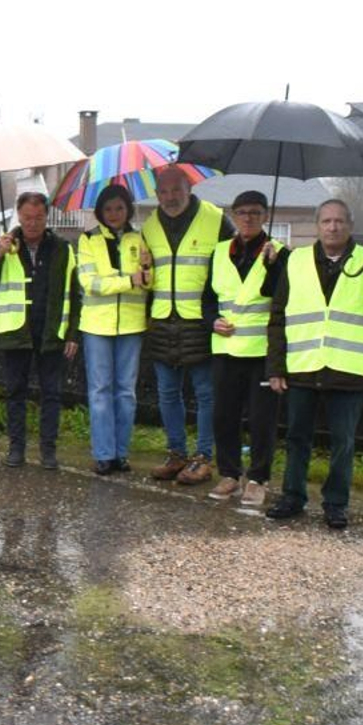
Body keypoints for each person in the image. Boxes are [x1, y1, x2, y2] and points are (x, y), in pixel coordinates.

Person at [265, 198, 363, 529]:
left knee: (343, 442)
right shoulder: (296, 260)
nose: (333, 227)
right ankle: (292, 496)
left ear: (350, 226)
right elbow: (278, 315)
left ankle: (336, 503)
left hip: (348, 367)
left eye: (339, 221)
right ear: (317, 226)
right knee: (297, 437)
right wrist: (275, 367)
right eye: (326, 221)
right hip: (303, 364)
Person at [140, 165, 234, 487]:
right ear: (156, 195)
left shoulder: (216, 219)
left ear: (189, 187)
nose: (170, 197)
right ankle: (176, 453)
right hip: (163, 319)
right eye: (163, 192)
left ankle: (203, 457)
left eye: (176, 189)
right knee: (168, 393)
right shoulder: (149, 226)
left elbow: (237, 261)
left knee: (206, 394)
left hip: (201, 320)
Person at [0, 191, 81, 469]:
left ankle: (48, 450)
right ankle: (16, 448)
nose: (33, 223)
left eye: (38, 218)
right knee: (15, 392)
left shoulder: (62, 248)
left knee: (51, 393)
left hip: (51, 332)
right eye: (27, 217)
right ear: (18, 215)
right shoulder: (4, 245)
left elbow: (75, 293)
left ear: (46, 217)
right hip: (15, 331)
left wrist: (73, 333)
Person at [205, 190, 285, 508]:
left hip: (261, 350)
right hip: (225, 348)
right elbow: (208, 299)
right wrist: (212, 321)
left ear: (265, 216)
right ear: (233, 216)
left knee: (262, 419)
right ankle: (229, 473)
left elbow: (281, 299)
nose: (248, 218)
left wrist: (274, 266)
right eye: (241, 212)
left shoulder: (279, 252)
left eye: (254, 212)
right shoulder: (221, 251)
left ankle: (258, 479)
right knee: (224, 415)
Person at [76, 184, 150, 475]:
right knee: (100, 390)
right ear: (100, 212)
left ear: (128, 209)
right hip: (96, 325)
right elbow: (90, 283)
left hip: (131, 324)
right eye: (108, 209)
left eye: (119, 208)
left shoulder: (140, 237)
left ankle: (121, 453)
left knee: (126, 392)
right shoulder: (87, 240)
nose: (114, 214)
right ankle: (104, 453)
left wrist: (148, 270)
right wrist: (128, 280)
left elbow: (149, 282)